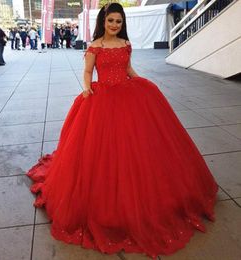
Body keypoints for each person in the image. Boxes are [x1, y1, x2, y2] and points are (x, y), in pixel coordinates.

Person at [27, 3, 218, 259]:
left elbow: (128, 70)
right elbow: (87, 71)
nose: (115, 25)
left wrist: (139, 82)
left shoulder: (126, 44)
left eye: (119, 21)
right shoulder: (95, 45)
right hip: (101, 98)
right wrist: (86, 88)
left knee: (139, 149)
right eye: (111, 21)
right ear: (103, 21)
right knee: (101, 152)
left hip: (128, 97)